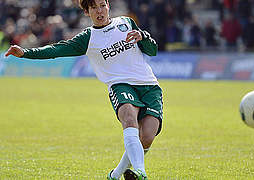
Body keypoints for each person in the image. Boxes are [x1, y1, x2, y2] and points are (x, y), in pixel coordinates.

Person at [5, 0, 163, 179]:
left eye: (102, 5)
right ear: (87, 12)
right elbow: (57, 50)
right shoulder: (88, 38)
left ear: (108, 5)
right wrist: (26, 53)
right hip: (120, 85)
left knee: (147, 137)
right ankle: (141, 172)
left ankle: (115, 174)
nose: (100, 11)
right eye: (94, 7)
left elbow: (153, 50)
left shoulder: (126, 23)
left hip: (149, 86)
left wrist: (143, 36)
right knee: (129, 118)